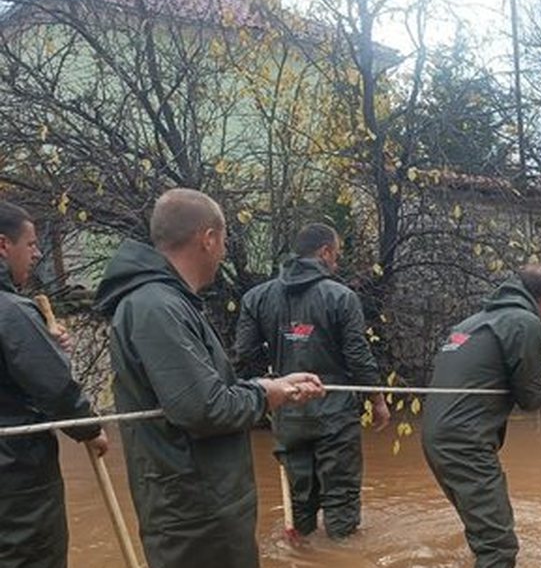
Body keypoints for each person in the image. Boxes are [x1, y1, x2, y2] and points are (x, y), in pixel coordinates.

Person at [93, 189, 325, 568]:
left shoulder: (170, 303)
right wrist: (266, 395)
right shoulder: (156, 307)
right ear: (208, 238)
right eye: (223, 240)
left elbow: (206, 392)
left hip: (206, 504)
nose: (222, 252)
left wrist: (276, 388)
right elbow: (203, 409)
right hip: (193, 514)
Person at [421, 264, 541, 568]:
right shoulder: (526, 322)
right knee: (499, 546)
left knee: (483, 532)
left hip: (435, 439)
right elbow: (530, 398)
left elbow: (497, 379)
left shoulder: (470, 324)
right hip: (466, 443)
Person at [235, 223, 388, 539]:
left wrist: (269, 387)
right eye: (337, 255)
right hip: (334, 410)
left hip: (287, 410)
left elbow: (244, 355)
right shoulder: (341, 297)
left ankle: (303, 552)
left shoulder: (256, 297)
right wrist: (377, 400)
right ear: (325, 252)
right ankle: (341, 556)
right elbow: (358, 356)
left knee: (299, 497)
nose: (337, 262)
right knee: (341, 496)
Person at [0, 200, 108, 568]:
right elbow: (56, 388)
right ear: (3, 245)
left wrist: (42, 345)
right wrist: (90, 428)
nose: (37, 253)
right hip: (15, 481)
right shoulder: (12, 312)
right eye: (30, 244)